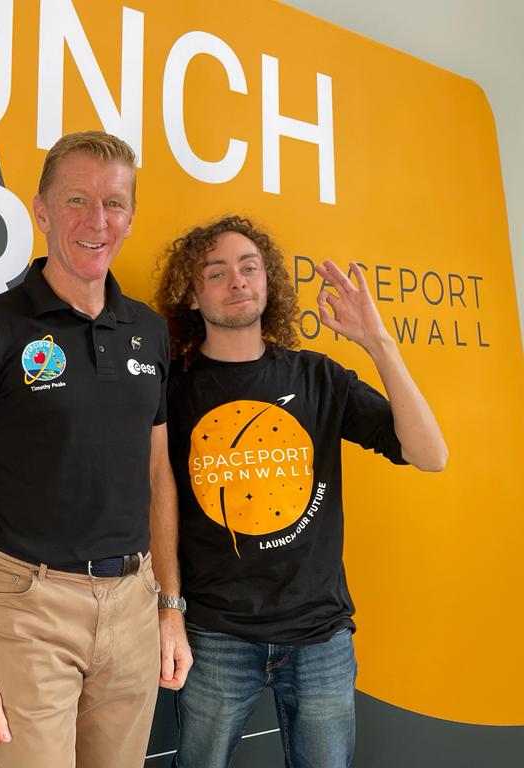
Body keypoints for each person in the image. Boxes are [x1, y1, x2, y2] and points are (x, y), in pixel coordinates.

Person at [0, 130, 191, 768]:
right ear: (41, 212)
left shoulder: (148, 331)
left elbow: (158, 477)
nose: (97, 221)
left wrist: (169, 607)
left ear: (130, 216)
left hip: (132, 604)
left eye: (115, 203)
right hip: (27, 606)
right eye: (76, 200)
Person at [153, 216, 447, 768]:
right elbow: (153, 499)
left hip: (321, 637)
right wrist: (169, 609)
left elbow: (430, 456)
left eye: (249, 267)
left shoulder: (317, 377)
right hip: (216, 635)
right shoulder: (171, 388)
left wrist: (378, 344)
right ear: (192, 296)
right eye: (216, 273)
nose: (237, 281)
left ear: (268, 282)